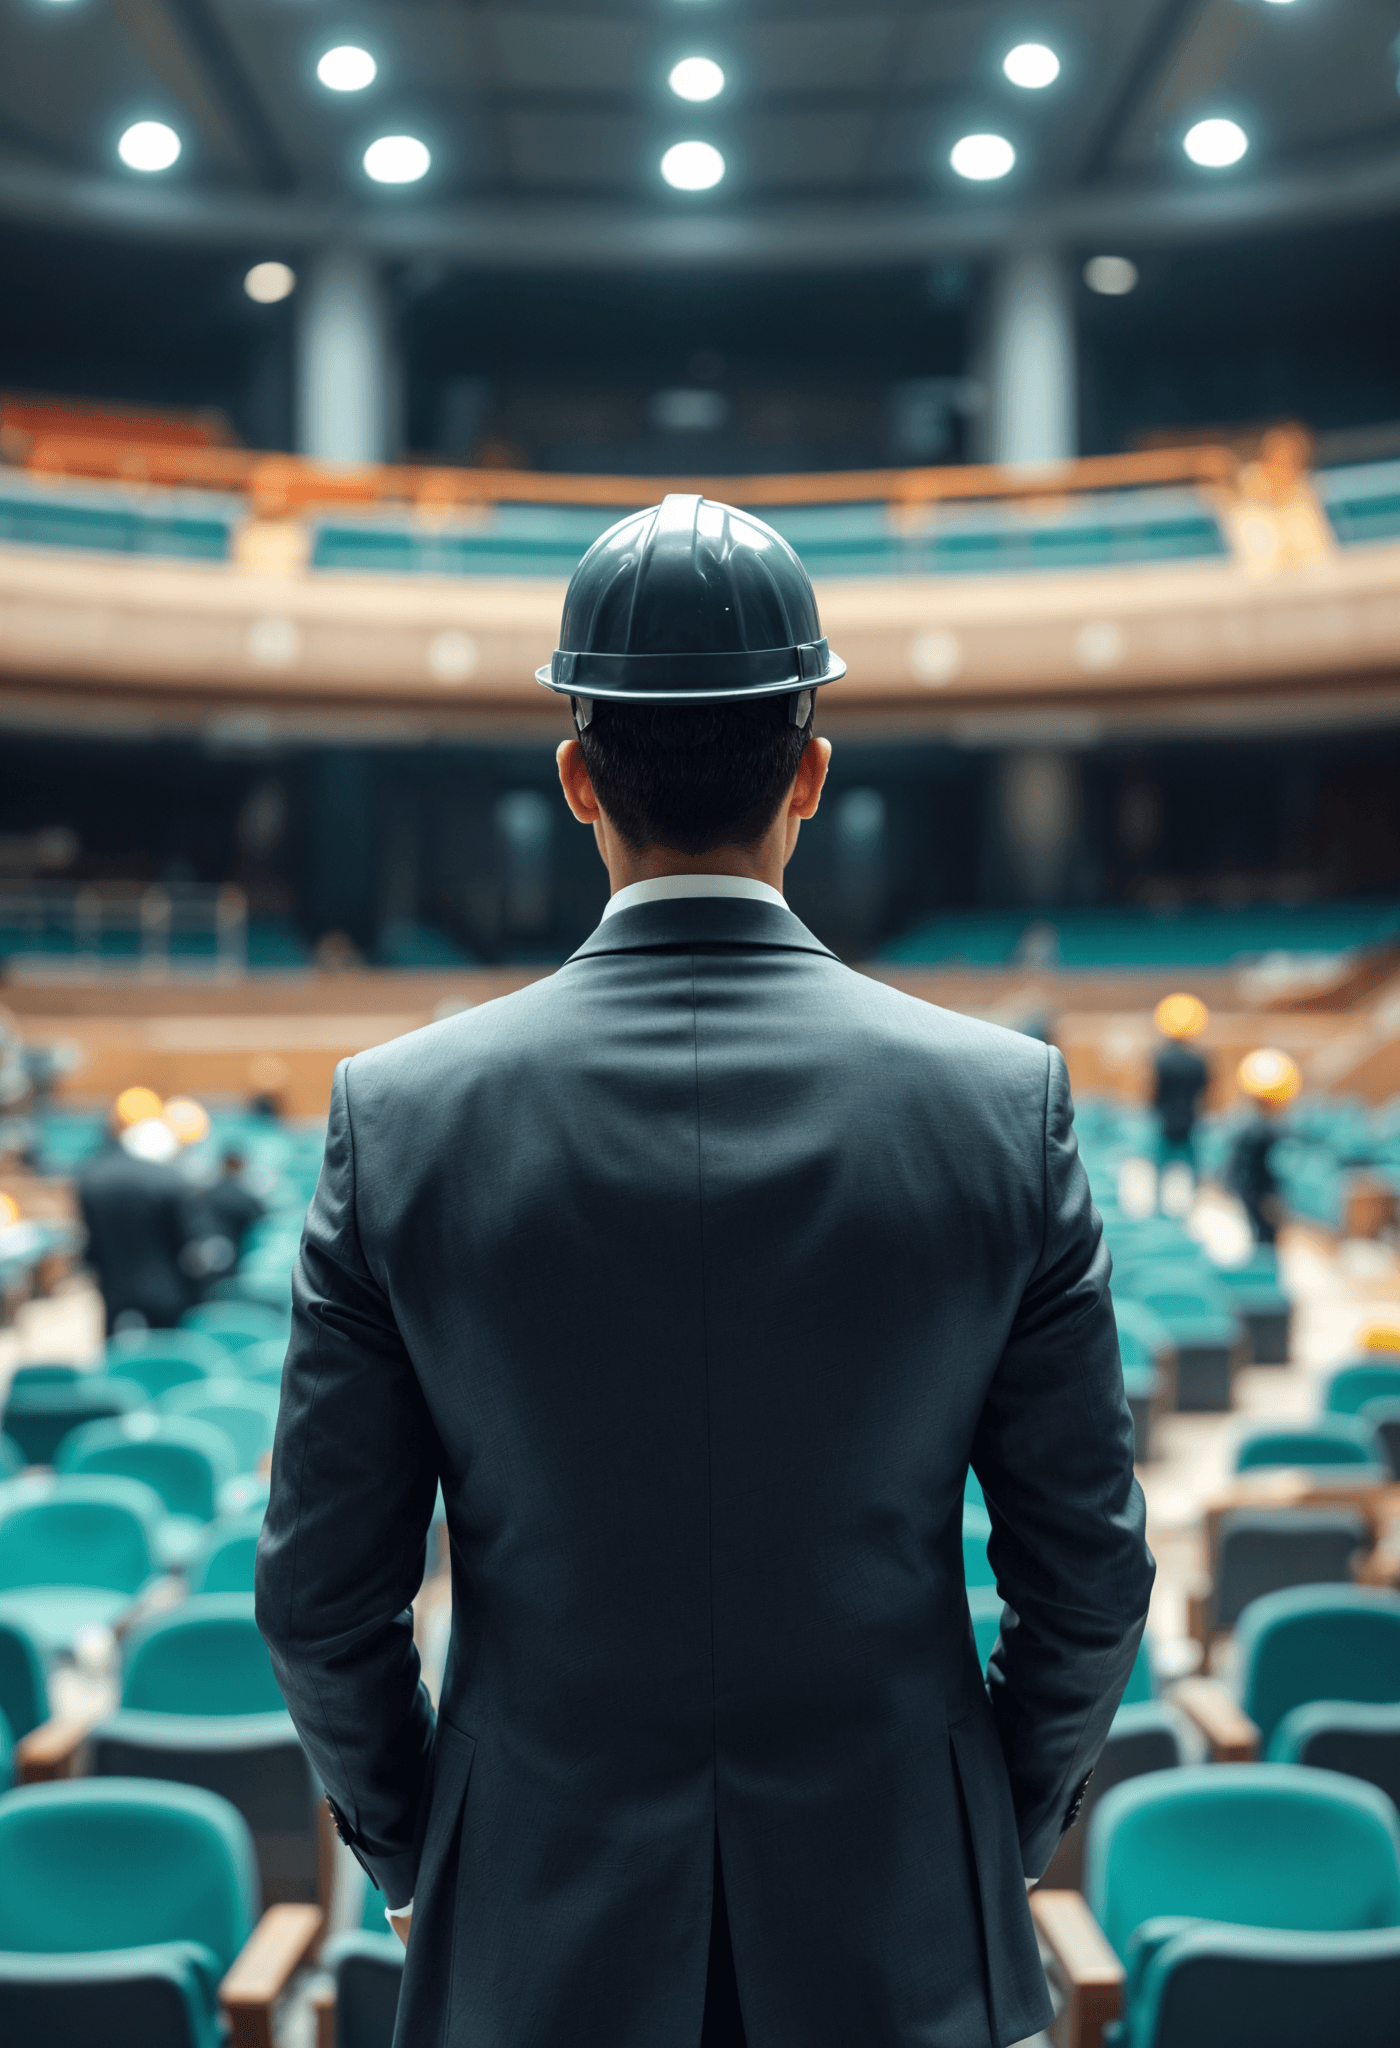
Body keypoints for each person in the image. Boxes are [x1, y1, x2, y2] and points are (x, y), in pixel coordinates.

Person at [257, 496, 1154, 2048]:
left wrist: (428, 1856)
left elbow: (322, 1601)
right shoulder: (1002, 1104)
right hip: (901, 1941)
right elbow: (1089, 1575)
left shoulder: (398, 1117)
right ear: (809, 772)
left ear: (576, 779)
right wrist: (971, 1842)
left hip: (534, 1936)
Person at [78, 1087, 205, 1333]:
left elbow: (92, 1249)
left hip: (114, 1295)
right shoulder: (171, 1181)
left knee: (118, 1367)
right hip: (169, 1296)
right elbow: (190, 1247)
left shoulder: (91, 1177)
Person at [1227, 1046, 1301, 1245]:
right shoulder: (1270, 1132)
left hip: (1251, 1192)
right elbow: (1276, 1168)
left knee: (1261, 1237)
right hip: (1263, 1196)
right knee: (1266, 1238)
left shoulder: (1249, 1128)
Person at [1150, 991, 1211, 1170]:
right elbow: (1205, 1093)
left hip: (1164, 1122)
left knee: (1159, 1169)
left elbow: (1153, 1093)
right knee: (1194, 1169)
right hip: (1191, 1121)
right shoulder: (1200, 1061)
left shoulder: (1160, 1059)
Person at [202, 1148, 266, 1270]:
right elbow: (260, 1222)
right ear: (241, 1166)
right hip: (240, 1256)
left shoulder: (205, 1195)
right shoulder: (248, 1198)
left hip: (209, 1254)